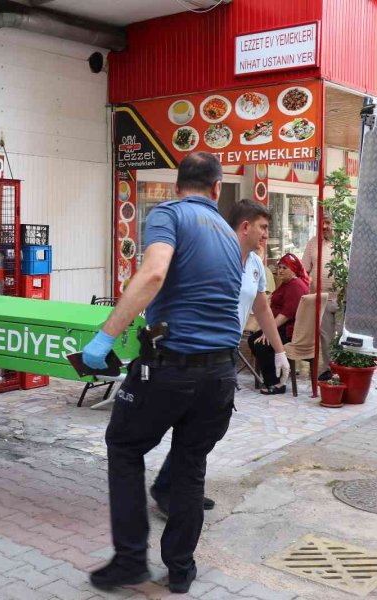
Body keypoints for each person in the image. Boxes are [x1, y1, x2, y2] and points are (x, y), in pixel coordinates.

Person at [81, 152, 249, 594]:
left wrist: (105, 337)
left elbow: (154, 273)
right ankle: (180, 569)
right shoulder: (229, 235)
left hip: (172, 367)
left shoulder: (169, 215)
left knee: (124, 445)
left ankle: (130, 561)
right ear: (217, 189)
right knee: (190, 466)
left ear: (178, 186)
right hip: (221, 373)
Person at [149, 199, 290, 515]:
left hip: (225, 353)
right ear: (245, 227)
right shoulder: (209, 256)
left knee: (208, 428)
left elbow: (262, 308)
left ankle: (182, 485)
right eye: (263, 227)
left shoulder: (255, 264)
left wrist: (280, 351)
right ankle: (171, 488)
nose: (266, 234)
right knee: (195, 426)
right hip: (194, 350)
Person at [248, 253, 310, 394]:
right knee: (253, 339)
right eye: (279, 267)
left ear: (293, 270)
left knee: (261, 344)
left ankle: (277, 383)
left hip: (289, 330)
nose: (280, 270)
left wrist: (268, 331)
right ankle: (274, 374)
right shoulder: (287, 284)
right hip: (282, 327)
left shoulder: (295, 286)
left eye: (284, 268)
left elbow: (286, 314)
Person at [302, 215, 337, 380]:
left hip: (342, 299)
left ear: (335, 224)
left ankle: (342, 369)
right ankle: (329, 369)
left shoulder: (343, 244)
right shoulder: (313, 243)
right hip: (321, 299)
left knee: (343, 337)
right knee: (326, 337)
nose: (324, 226)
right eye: (322, 223)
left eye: (328, 223)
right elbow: (304, 270)